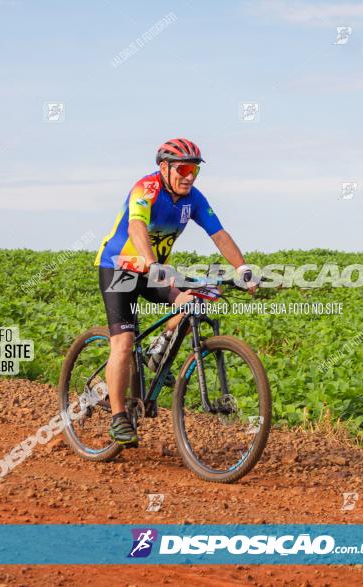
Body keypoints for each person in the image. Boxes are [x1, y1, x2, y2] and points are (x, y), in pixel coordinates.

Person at [94, 138, 255, 446]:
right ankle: (117, 418)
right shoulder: (146, 189)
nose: (189, 176)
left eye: (194, 170)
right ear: (164, 168)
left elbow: (218, 233)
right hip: (119, 268)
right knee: (124, 343)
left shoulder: (193, 198)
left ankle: (158, 351)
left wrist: (242, 269)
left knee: (192, 302)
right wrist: (152, 264)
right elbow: (137, 228)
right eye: (183, 169)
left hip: (155, 271)